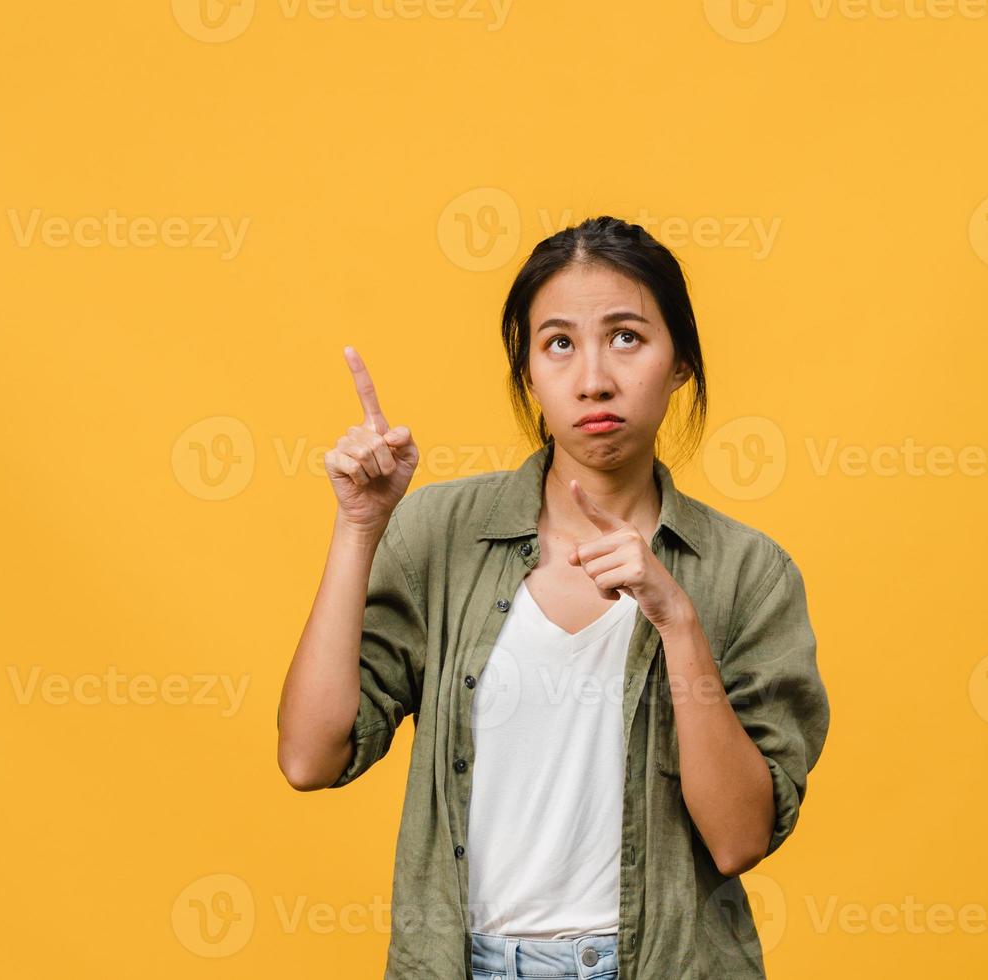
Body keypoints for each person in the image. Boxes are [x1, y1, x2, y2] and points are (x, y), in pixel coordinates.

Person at [277, 215, 831, 979]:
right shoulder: (440, 535)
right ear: (529, 374)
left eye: (627, 336)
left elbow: (738, 840)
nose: (594, 377)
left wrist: (675, 620)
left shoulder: (747, 572)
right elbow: (310, 757)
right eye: (559, 343)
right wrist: (359, 528)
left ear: (680, 364)